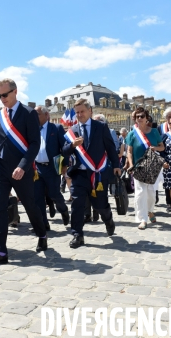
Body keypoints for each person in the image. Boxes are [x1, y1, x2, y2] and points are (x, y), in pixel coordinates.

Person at [0, 79, 49, 266]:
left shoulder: (28, 113)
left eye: (5, 95)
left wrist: (24, 165)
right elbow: (1, 142)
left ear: (15, 92)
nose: (2, 99)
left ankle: (42, 234)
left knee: (29, 205)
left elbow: (35, 143)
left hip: (21, 169)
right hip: (1, 168)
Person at [62, 98, 121, 247]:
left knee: (100, 204)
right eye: (77, 113)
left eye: (82, 111)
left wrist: (116, 165)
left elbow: (110, 148)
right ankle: (77, 235)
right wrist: (72, 145)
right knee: (77, 204)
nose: (80, 115)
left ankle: (108, 220)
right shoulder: (72, 131)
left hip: (98, 173)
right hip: (79, 174)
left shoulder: (100, 127)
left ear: (90, 111)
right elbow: (63, 151)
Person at [124, 107, 164, 229]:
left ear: (147, 118)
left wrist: (155, 148)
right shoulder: (132, 134)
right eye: (137, 117)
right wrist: (130, 164)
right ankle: (142, 219)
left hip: (152, 166)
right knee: (140, 193)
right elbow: (129, 151)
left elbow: (162, 147)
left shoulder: (154, 132)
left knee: (151, 193)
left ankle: (150, 210)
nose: (139, 118)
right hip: (138, 167)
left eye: (142, 116)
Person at [34, 106, 70, 230]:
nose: (35, 116)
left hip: (52, 167)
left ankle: (63, 210)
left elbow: (64, 147)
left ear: (46, 115)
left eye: (37, 114)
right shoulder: (32, 129)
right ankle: (43, 224)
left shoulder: (56, 128)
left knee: (54, 194)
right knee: (38, 197)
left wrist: (65, 164)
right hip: (37, 168)